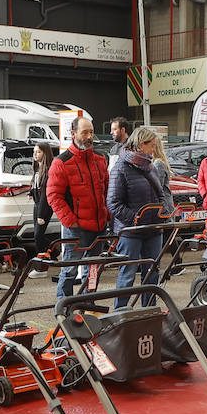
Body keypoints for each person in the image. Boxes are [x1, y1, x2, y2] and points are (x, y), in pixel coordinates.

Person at [107, 125, 174, 309]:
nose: (154, 150)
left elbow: (160, 194)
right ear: (141, 144)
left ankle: (148, 311)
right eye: (151, 145)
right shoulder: (120, 168)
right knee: (127, 273)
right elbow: (113, 203)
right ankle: (120, 313)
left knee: (152, 272)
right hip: (131, 232)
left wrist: (161, 213)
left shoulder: (150, 166)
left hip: (153, 230)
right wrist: (136, 218)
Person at [46, 117, 111, 299]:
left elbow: (106, 189)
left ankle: (88, 303)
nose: (89, 136)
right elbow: (53, 196)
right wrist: (71, 221)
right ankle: (63, 307)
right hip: (76, 228)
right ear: (73, 134)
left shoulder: (99, 159)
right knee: (69, 271)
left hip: (98, 226)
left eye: (91, 132)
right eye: (84, 132)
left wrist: (107, 213)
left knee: (93, 270)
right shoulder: (61, 162)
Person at [27, 142, 55, 273]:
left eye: (38, 152)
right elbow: (35, 187)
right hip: (37, 204)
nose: (35, 154)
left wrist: (41, 215)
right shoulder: (37, 168)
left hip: (44, 206)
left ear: (45, 153)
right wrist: (30, 193)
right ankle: (55, 252)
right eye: (34, 152)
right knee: (37, 235)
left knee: (38, 235)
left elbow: (45, 194)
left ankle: (41, 267)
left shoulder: (48, 170)